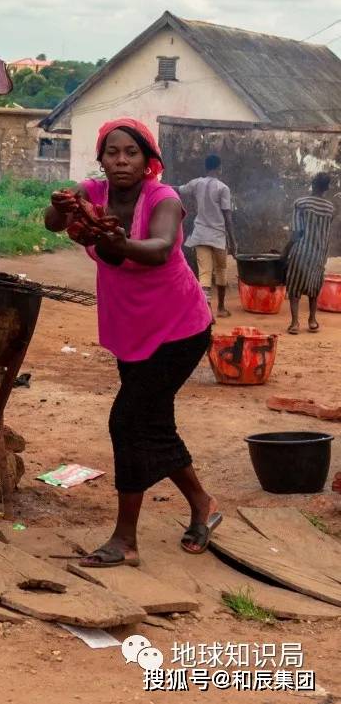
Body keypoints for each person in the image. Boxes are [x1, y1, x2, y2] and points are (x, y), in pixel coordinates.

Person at [44, 118, 220, 567]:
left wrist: (121, 241)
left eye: (131, 153)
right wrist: (61, 206)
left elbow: (161, 248)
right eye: (112, 153)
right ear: (101, 159)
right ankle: (203, 504)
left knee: (128, 421)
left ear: (148, 160)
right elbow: (51, 224)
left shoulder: (165, 198)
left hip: (179, 328)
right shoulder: (92, 193)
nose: (121, 161)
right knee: (154, 424)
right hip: (130, 329)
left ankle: (125, 539)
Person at [178, 154, 237, 318]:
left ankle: (207, 312)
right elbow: (228, 218)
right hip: (218, 237)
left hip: (201, 234)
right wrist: (233, 241)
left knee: (204, 273)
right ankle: (221, 308)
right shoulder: (223, 188)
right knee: (221, 271)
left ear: (205, 167)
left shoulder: (196, 183)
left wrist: (156, 185)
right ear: (219, 168)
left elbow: (179, 189)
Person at [285, 172, 335, 335]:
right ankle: (312, 320)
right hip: (319, 253)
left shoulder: (301, 203)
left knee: (294, 287)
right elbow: (325, 230)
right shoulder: (330, 208)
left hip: (301, 251)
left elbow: (297, 232)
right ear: (327, 188)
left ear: (312, 184)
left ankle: (294, 323)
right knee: (314, 287)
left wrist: (285, 251)